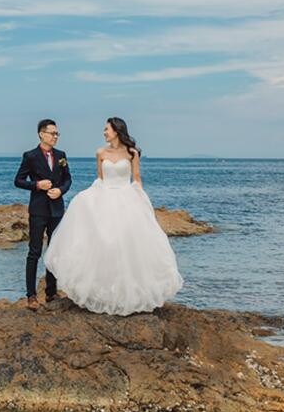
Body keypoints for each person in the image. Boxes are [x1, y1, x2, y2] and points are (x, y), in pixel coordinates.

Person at [44, 117, 182, 316]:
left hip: (127, 200)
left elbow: (136, 180)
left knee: (127, 247)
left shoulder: (132, 153)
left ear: (117, 131)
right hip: (105, 197)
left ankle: (129, 294)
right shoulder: (100, 153)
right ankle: (104, 294)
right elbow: (100, 179)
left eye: (106, 129)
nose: (104, 132)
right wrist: (86, 198)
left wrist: (142, 202)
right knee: (104, 245)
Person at [14, 118, 72, 310]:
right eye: (52, 133)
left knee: (55, 251)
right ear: (41, 134)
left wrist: (61, 191)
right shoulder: (30, 156)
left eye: (57, 134)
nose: (55, 137)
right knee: (34, 252)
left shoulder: (61, 155)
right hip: (38, 209)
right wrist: (37, 185)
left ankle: (51, 292)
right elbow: (18, 180)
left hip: (57, 209)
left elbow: (68, 180)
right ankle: (31, 296)